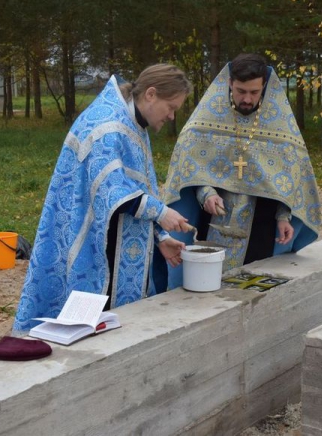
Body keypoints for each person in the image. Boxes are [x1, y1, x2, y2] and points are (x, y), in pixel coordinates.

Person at [12, 64, 192, 333]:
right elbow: (112, 190)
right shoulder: (108, 124)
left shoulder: (132, 120)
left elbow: (139, 185)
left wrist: (160, 238)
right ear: (151, 94)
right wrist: (162, 213)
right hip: (91, 238)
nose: (172, 116)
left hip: (116, 238)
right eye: (171, 107)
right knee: (85, 328)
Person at [161, 53, 321, 289]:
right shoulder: (205, 120)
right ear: (229, 83)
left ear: (264, 86)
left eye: (254, 92)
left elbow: (289, 176)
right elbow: (189, 169)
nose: (247, 99)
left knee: (255, 291)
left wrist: (284, 216)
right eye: (240, 91)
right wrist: (206, 193)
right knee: (205, 289)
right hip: (212, 222)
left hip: (261, 224)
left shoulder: (279, 124)